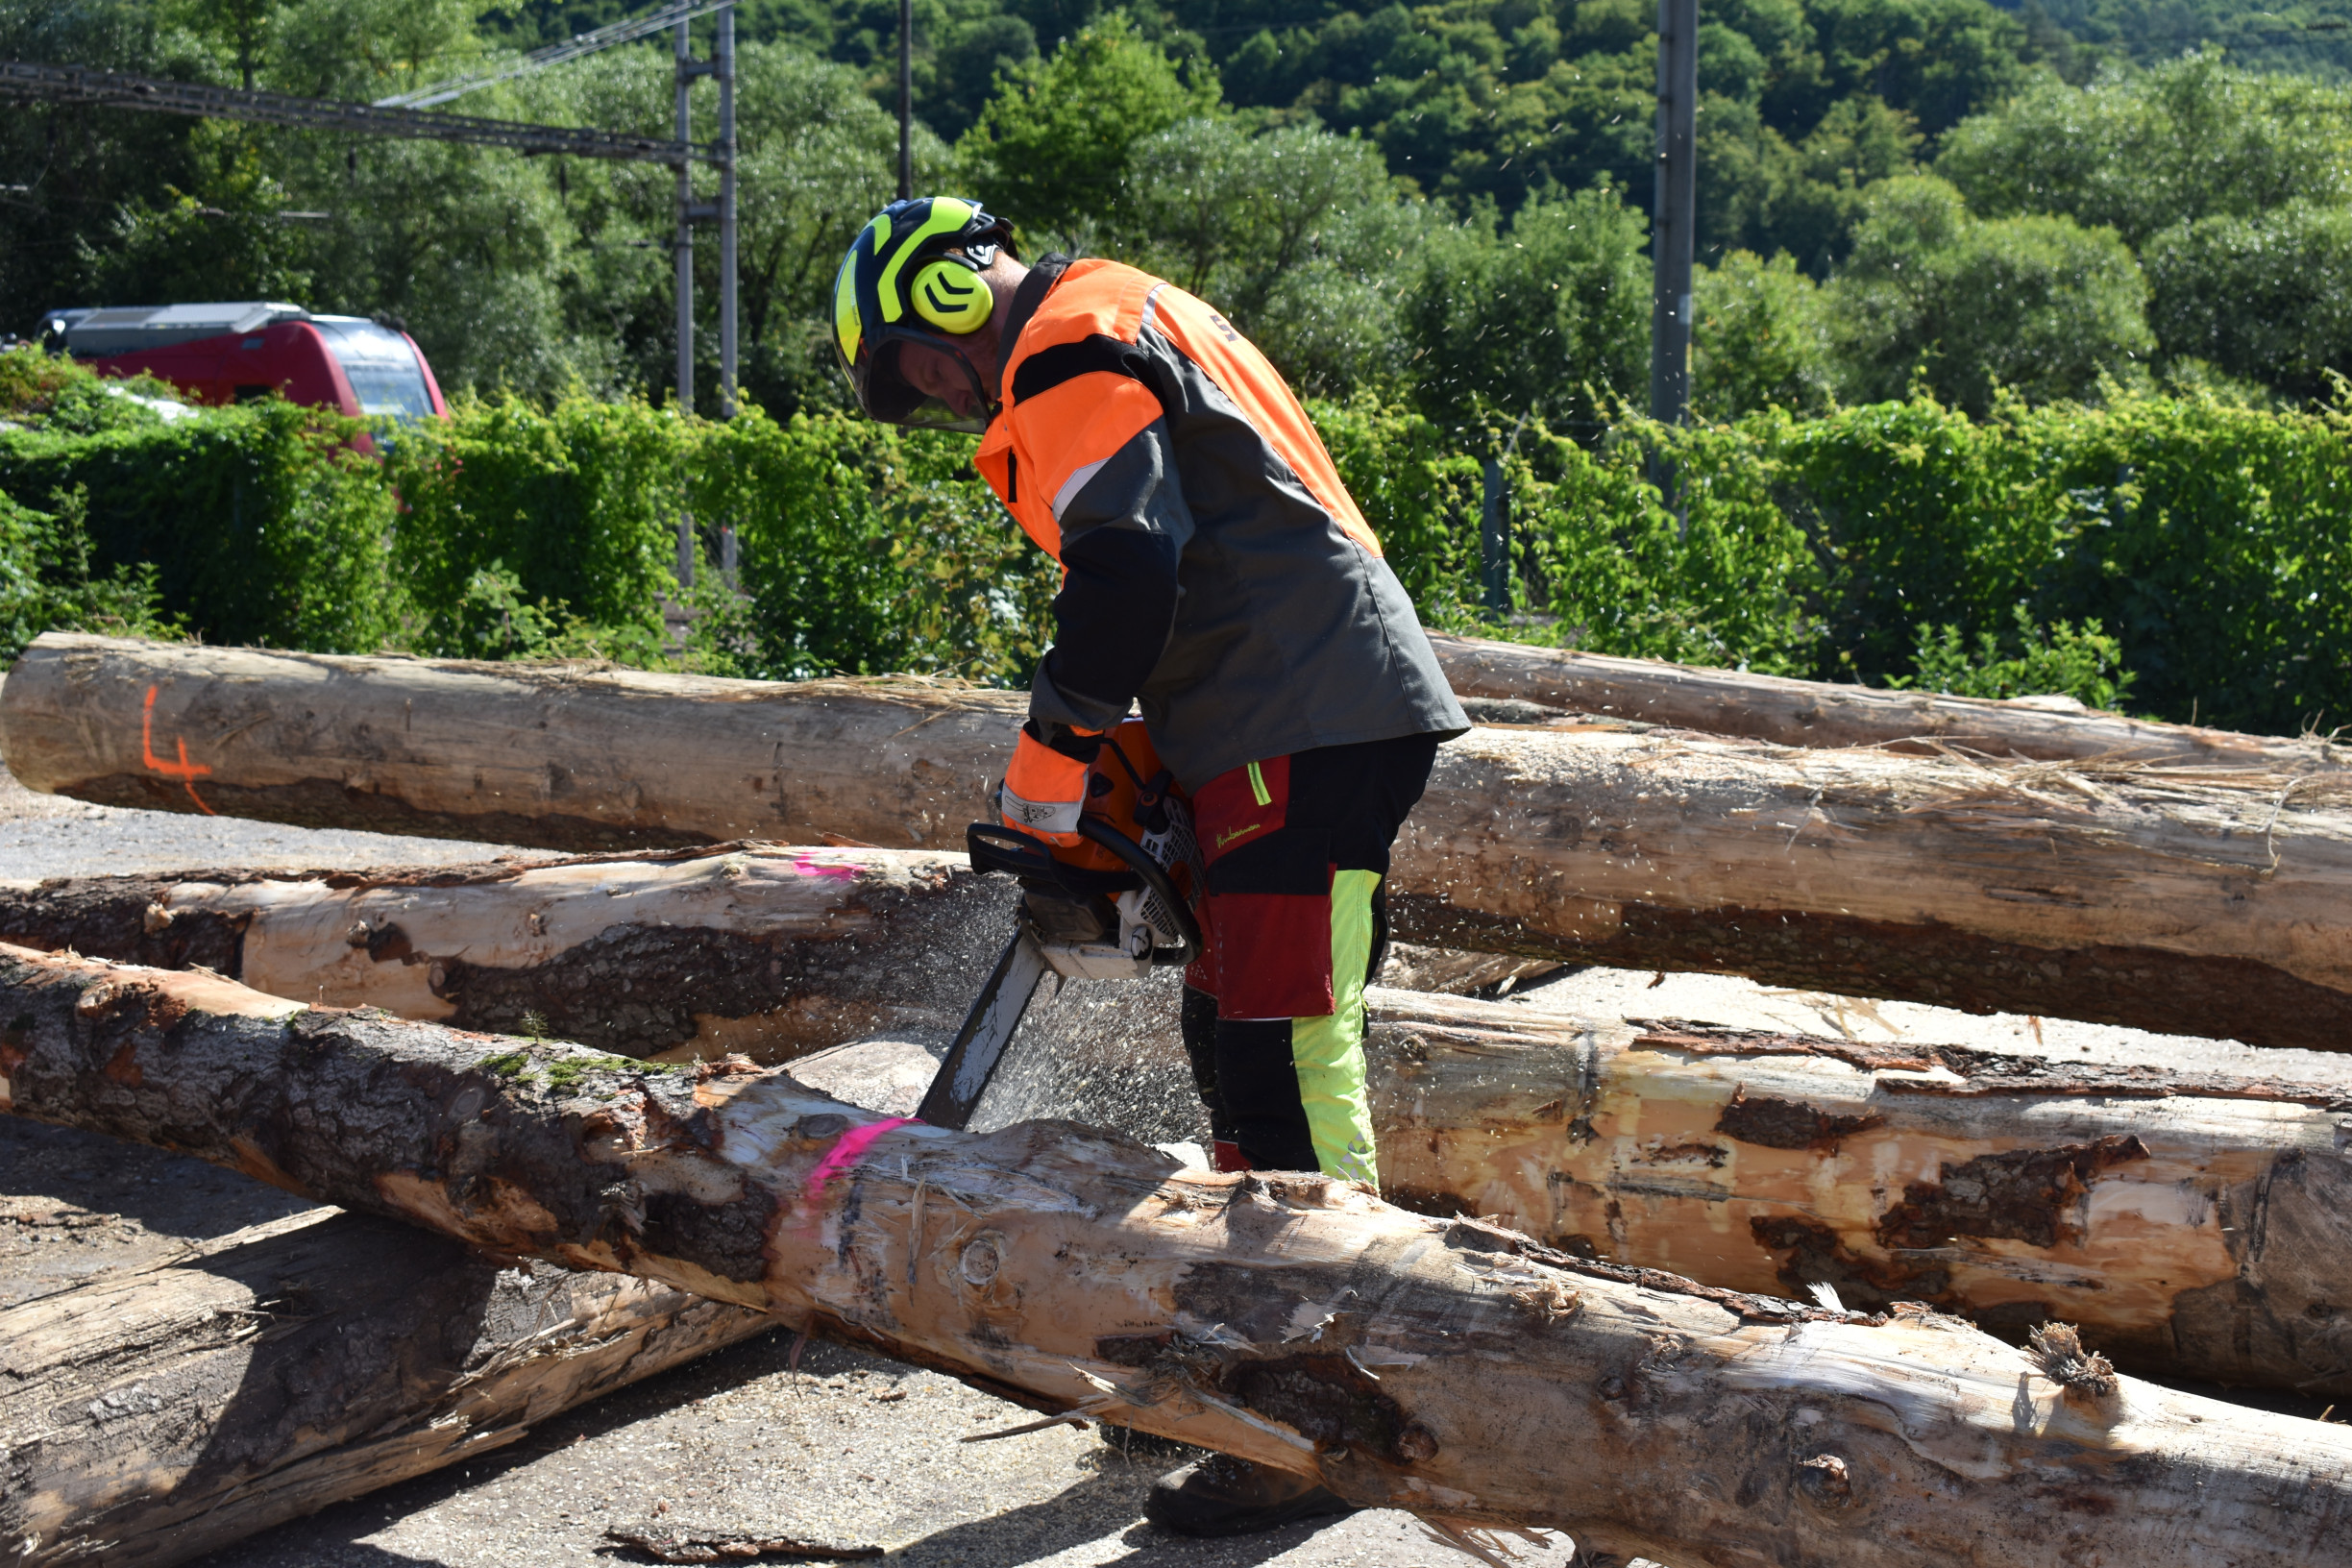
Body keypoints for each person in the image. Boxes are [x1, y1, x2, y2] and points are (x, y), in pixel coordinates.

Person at [831, 196, 1468, 1536]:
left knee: (1286, 1053)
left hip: (1302, 711)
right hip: (1285, 707)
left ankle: (1320, 1407)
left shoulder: (1065, 344)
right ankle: (1257, 1345)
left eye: (918, 367)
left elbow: (1126, 574)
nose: (939, 398)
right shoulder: (1124, 311)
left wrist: (1056, 759)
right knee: (1229, 1026)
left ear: (945, 302)